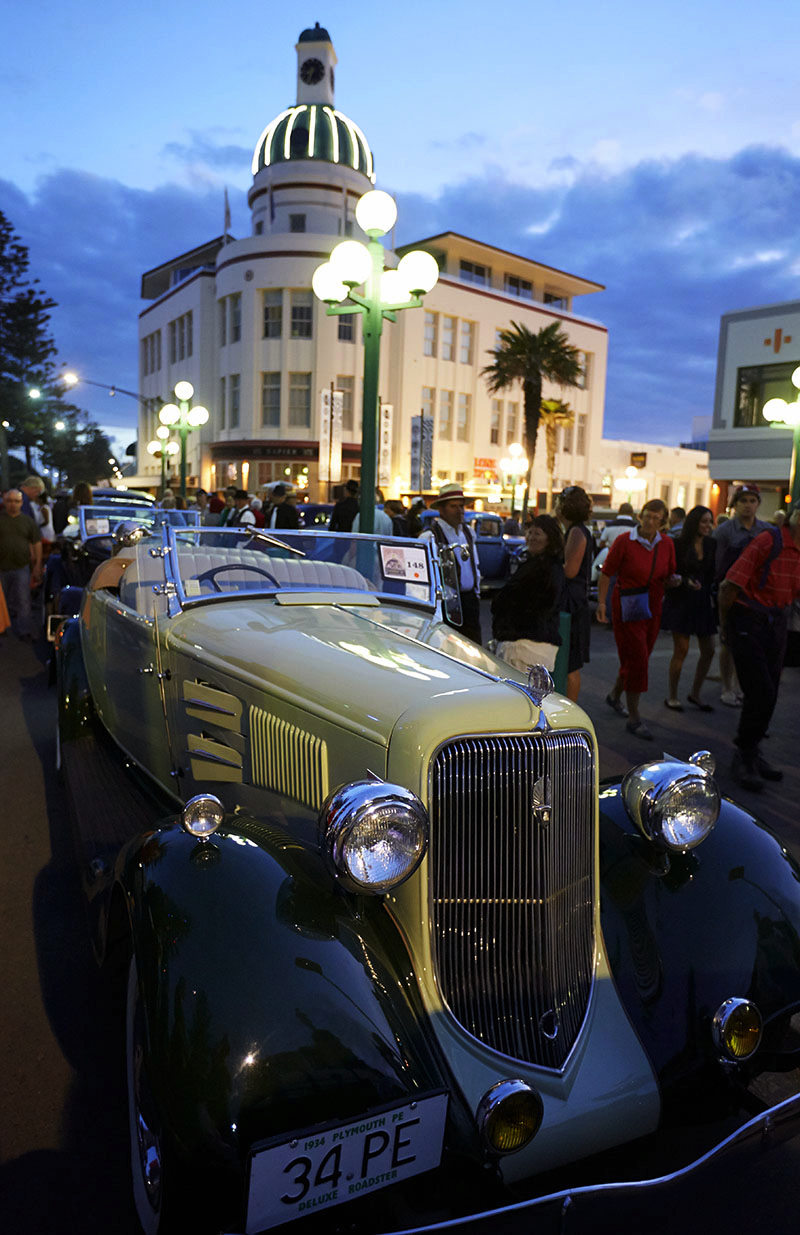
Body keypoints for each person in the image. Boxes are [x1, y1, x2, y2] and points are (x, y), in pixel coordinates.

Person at [719, 500, 800, 791]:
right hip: (748, 618)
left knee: (771, 692)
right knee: (761, 691)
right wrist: (726, 627)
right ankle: (743, 755)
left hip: (776, 622)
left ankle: (752, 751)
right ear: (794, 516)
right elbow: (728, 586)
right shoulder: (769, 540)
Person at [597, 498, 679, 739]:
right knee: (639, 660)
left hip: (653, 605)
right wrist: (601, 603)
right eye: (647, 516)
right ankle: (634, 718)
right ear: (640, 516)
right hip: (628, 605)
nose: (650, 521)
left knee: (637, 658)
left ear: (663, 521)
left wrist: (674, 581)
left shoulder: (666, 544)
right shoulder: (625, 541)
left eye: (656, 518)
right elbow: (606, 573)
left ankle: (615, 695)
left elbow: (669, 573)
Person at [713, 484, 770, 706]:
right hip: (731, 591)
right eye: (743, 501)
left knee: (749, 643)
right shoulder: (724, 531)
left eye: (752, 501)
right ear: (735, 504)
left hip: (756, 595)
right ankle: (727, 687)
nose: (748, 505)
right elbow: (717, 566)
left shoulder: (766, 530)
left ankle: (739, 685)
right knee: (728, 641)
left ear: (758, 504)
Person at [491, 514, 565, 674]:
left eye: (537, 533)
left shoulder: (542, 568)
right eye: (530, 532)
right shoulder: (546, 566)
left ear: (550, 538)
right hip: (532, 644)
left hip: (524, 646)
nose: (531, 537)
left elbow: (523, 601)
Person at [660, 505, 717, 711]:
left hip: (702, 600)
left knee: (709, 650)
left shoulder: (711, 543)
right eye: (704, 522)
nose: (708, 526)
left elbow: (711, 573)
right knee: (681, 649)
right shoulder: (679, 544)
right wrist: (685, 581)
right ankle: (673, 696)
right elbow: (670, 572)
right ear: (694, 523)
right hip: (681, 600)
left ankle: (695, 693)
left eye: (710, 521)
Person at [419, 483, 482, 644]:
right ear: (442, 509)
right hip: (447, 605)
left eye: (461, 506)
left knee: (475, 649)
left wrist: (476, 592)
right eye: (453, 506)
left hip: (469, 602)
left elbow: (475, 565)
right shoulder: (430, 537)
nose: (460, 510)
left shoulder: (468, 532)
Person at [556, 485, 593, 701]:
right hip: (575, 601)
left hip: (572, 604)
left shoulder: (576, 532)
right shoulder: (576, 530)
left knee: (570, 665)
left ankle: (570, 708)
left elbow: (570, 570)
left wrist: (548, 566)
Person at [0, 488, 43, 639]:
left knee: (23, 600)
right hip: (2, 567)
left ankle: (24, 630)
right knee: (2, 601)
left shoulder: (28, 521)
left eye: (16, 501)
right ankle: (2, 628)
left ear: (21, 503)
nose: (13, 504)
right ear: (4, 502)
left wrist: (37, 565)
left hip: (21, 567)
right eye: (9, 501)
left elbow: (37, 543)